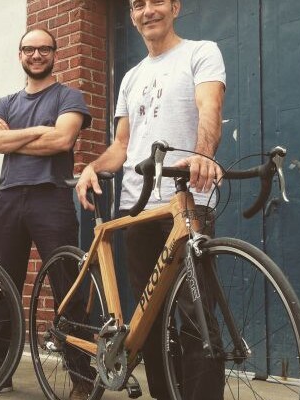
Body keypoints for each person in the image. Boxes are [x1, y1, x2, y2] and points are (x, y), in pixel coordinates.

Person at [76, 0, 226, 399]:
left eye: (156, 1)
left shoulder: (201, 52)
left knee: (197, 320)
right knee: (152, 322)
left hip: (188, 201)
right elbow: (122, 145)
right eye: (137, 5)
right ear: (131, 15)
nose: (147, 11)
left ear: (175, 7)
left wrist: (202, 153)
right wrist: (94, 165)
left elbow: (209, 108)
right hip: (137, 205)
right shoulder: (131, 77)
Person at [0, 29, 93, 400]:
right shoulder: (5, 102)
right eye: (29, 49)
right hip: (8, 199)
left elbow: (63, 140)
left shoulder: (70, 96)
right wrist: (39, 131)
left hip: (51, 197)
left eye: (43, 49)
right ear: (20, 54)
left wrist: (15, 137)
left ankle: (83, 375)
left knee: (67, 285)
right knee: (4, 288)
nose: (36, 54)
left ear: (54, 53)